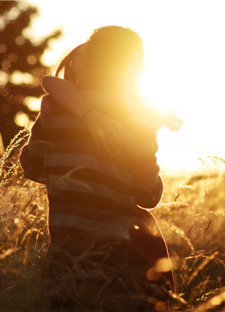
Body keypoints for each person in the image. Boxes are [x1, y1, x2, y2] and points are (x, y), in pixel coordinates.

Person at [20, 26, 179, 311]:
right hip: (115, 263)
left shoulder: (53, 111)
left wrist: (72, 174)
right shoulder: (137, 122)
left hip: (62, 261)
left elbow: (32, 166)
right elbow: (149, 194)